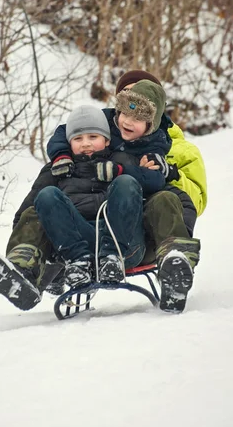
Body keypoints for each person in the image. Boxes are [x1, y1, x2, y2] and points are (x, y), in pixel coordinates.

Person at [47, 69, 207, 312]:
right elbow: (68, 129)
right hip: (97, 227)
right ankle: (37, 266)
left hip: (144, 232)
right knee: (48, 195)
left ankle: (174, 260)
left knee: (165, 198)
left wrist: (170, 174)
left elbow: (195, 199)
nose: (129, 116)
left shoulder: (179, 147)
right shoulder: (104, 130)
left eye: (140, 105)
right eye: (126, 98)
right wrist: (62, 155)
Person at [34, 95, 169, 287]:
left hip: (124, 244)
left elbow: (154, 180)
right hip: (82, 244)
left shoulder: (121, 158)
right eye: (78, 138)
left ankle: (112, 258)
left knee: (125, 183)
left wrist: (119, 170)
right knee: (47, 195)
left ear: (106, 140)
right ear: (69, 143)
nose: (86, 143)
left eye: (93, 137)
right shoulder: (62, 168)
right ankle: (78, 262)